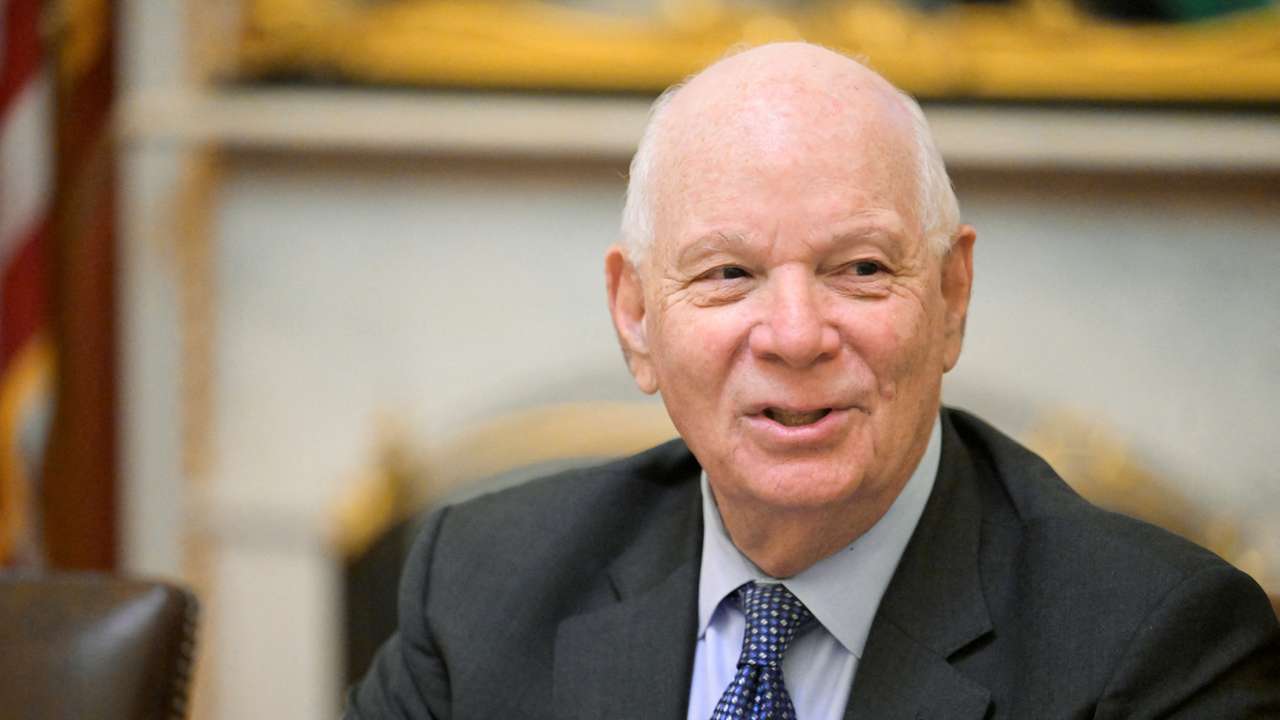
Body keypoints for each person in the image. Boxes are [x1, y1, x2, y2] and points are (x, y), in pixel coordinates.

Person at [346, 42, 1279, 719]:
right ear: (635, 316)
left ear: (951, 297)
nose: (795, 336)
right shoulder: (481, 585)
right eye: (727, 274)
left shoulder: (1156, 646)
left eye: (861, 269)